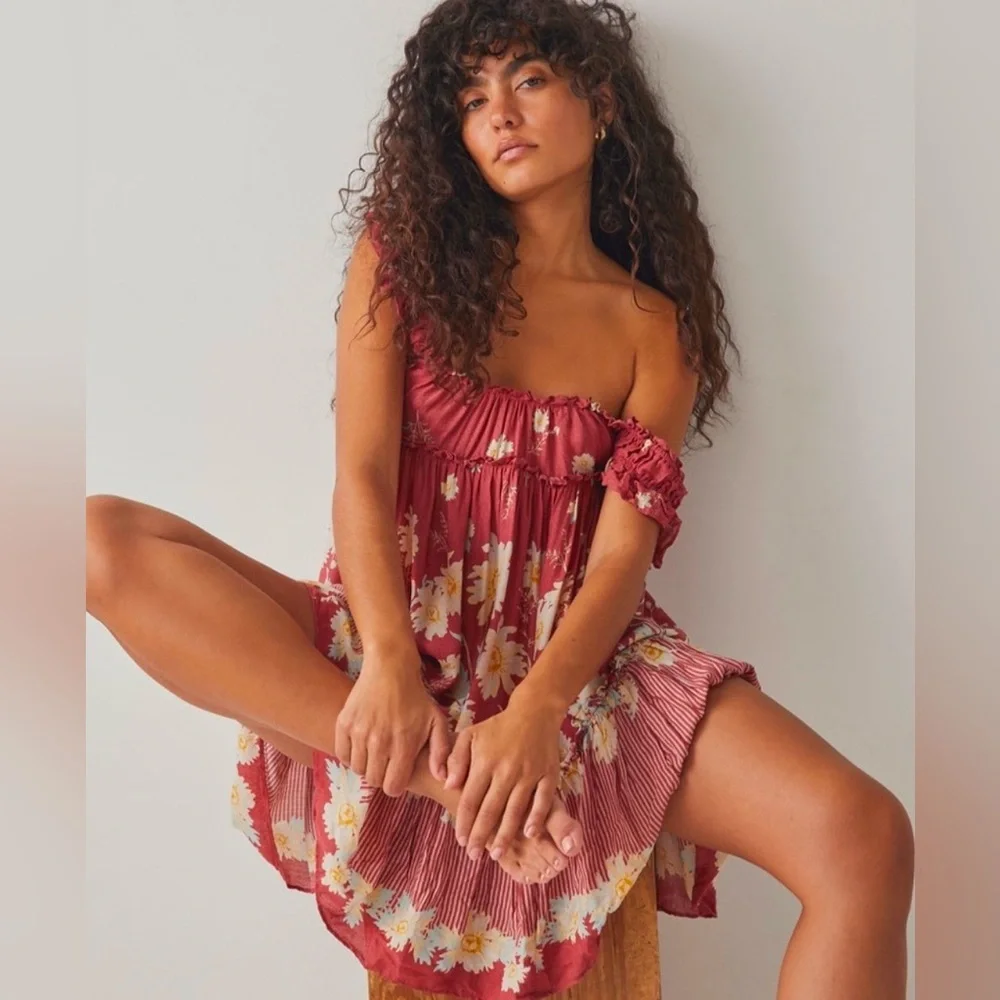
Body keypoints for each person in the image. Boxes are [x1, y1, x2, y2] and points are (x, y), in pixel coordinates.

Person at [85, 2, 915, 998]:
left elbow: (620, 557)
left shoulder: (653, 328)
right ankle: (442, 779)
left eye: (527, 79)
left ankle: (477, 768)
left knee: (864, 834)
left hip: (581, 676)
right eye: (472, 101)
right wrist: (390, 661)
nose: (500, 115)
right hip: (396, 648)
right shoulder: (401, 260)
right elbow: (361, 476)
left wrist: (536, 713)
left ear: (599, 102)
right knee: (95, 538)